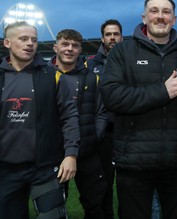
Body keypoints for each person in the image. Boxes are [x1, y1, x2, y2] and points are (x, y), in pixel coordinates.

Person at [100, 0, 177, 219]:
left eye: (166, 12)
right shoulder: (122, 52)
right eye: (154, 11)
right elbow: (112, 96)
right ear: (144, 17)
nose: (160, 16)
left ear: (174, 19)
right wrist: (162, 92)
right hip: (134, 160)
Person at [0, 21, 80, 218]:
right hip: (5, 169)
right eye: (23, 39)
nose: (30, 44)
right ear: (7, 43)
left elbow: (69, 116)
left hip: (45, 167)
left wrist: (71, 154)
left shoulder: (53, 75)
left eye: (34, 40)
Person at [49, 29, 108, 219]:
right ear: (55, 47)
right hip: (54, 154)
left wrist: (93, 136)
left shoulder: (92, 78)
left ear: (80, 49)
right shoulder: (44, 77)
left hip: (88, 153)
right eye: (65, 44)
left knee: (95, 205)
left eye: (74, 45)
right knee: (54, 207)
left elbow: (101, 112)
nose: (69, 49)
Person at [87, 19, 124, 219]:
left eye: (115, 34)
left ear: (121, 37)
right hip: (102, 134)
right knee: (104, 184)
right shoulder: (91, 63)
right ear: (102, 38)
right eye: (108, 34)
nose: (112, 38)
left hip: (127, 131)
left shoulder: (130, 60)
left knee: (129, 185)